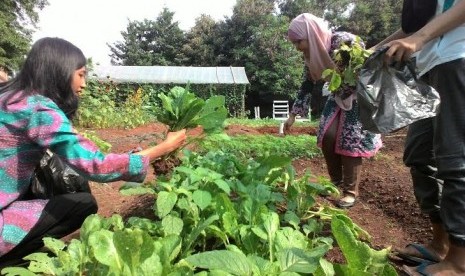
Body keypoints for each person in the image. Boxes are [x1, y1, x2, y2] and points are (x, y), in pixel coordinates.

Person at [0, 37, 187, 267]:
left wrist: (137, 154)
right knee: (83, 203)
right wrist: (164, 148)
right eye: (80, 74)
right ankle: (13, 262)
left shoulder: (10, 99)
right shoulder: (38, 109)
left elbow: (81, 155)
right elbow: (94, 165)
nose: (84, 83)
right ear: (60, 72)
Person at [374, 0, 465, 274]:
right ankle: (441, 245)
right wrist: (373, 49)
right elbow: (415, 26)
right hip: (428, 67)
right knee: (419, 155)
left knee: (455, 159)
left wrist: (420, 38)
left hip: (457, 58)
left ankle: (459, 262)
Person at [284, 13, 382, 208]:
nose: (297, 48)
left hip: (358, 97)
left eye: (299, 42)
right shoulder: (311, 56)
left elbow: (363, 66)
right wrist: (292, 115)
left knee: (350, 141)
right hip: (337, 96)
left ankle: (350, 192)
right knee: (327, 135)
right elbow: (306, 84)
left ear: (311, 34)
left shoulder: (343, 41)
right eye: (294, 43)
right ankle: (336, 183)